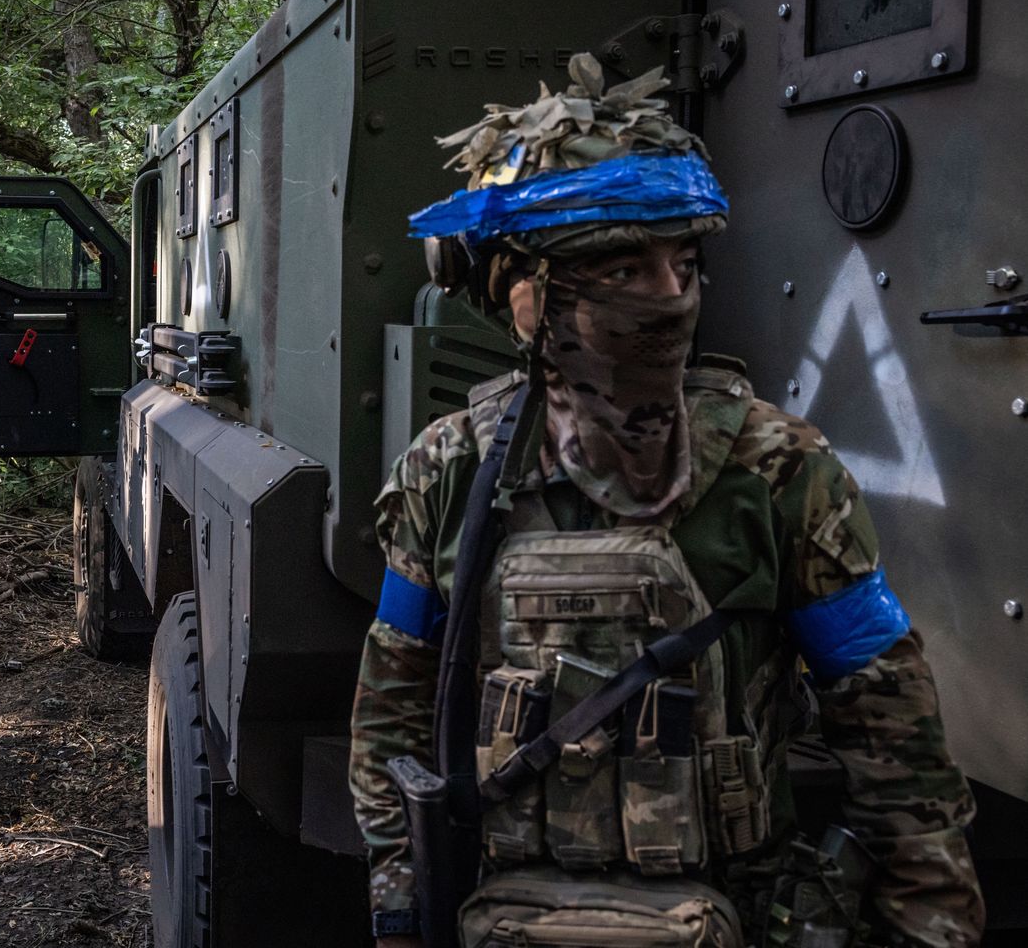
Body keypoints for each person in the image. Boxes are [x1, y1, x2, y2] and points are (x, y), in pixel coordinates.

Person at [348, 57, 984, 946]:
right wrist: (399, 898)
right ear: (522, 294)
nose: (668, 295)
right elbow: (393, 711)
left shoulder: (775, 468)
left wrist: (929, 921)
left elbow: (886, 719)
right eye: (622, 267)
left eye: (683, 262)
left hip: (742, 910)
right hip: (504, 911)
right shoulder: (448, 471)